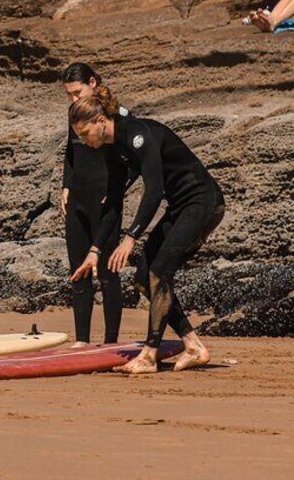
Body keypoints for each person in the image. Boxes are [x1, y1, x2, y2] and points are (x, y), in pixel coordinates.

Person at [69, 86, 225, 374]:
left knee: (159, 271)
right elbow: (114, 201)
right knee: (144, 277)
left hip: (203, 201)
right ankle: (193, 346)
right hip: (180, 207)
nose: (83, 141)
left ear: (101, 121)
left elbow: (154, 189)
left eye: (84, 133)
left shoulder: (138, 134)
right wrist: (95, 250)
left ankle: (149, 355)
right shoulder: (111, 149)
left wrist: (130, 238)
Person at [61, 64, 128, 347]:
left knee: (108, 272)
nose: (74, 100)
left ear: (92, 82)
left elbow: (127, 161)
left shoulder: (114, 116)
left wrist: (115, 192)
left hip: (104, 199)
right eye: (69, 95)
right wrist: (65, 185)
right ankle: (82, 340)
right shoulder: (76, 115)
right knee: (79, 271)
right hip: (77, 198)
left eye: (77, 92)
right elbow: (70, 151)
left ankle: (111, 341)